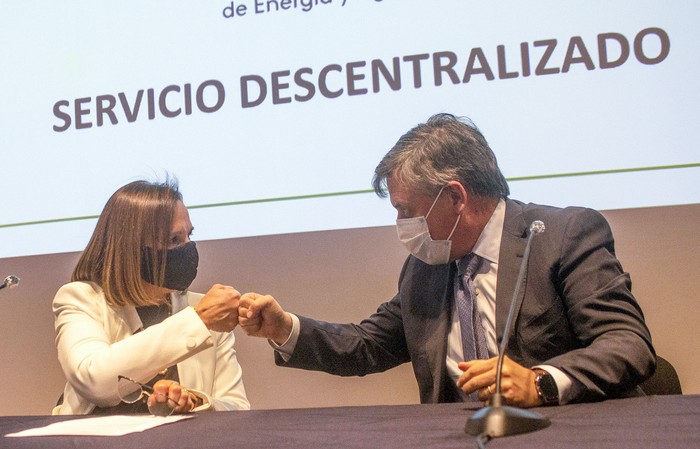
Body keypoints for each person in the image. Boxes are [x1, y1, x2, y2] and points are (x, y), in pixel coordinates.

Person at [238, 113, 656, 407]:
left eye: (406, 209)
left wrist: (540, 381)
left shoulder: (562, 236)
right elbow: (368, 345)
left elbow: (627, 344)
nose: (400, 222)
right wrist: (284, 327)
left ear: (456, 197)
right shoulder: (427, 267)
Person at [53, 179, 250, 415]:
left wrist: (197, 402)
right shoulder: (80, 299)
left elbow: (237, 409)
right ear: (132, 249)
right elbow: (94, 381)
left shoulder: (203, 310)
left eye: (189, 235)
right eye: (174, 240)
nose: (189, 248)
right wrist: (198, 321)